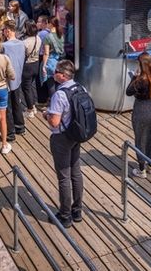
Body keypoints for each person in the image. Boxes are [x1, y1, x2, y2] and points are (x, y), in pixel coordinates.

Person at [43, 60, 84, 228]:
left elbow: (54, 122)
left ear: (62, 75)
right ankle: (77, 210)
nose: (54, 74)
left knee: (64, 177)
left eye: (56, 72)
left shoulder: (60, 94)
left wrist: (46, 114)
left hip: (62, 138)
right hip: (76, 135)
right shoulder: (81, 88)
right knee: (76, 173)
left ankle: (65, 215)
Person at [125, 52, 151, 178]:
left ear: (142, 65)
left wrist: (134, 77)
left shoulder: (141, 80)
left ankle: (141, 170)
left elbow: (128, 92)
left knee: (140, 139)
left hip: (141, 111)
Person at [0, 21, 27, 140]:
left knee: (7, 107)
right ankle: (20, 127)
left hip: (6, 81)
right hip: (18, 78)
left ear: (7, 31)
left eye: (3, 30)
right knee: (17, 103)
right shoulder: (22, 44)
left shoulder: (4, 46)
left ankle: (10, 133)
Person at [20, 21, 42, 117]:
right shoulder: (38, 38)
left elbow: (21, 54)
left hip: (27, 66)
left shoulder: (25, 42)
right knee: (30, 86)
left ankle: (30, 110)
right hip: (36, 64)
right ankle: (33, 106)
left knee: (26, 88)